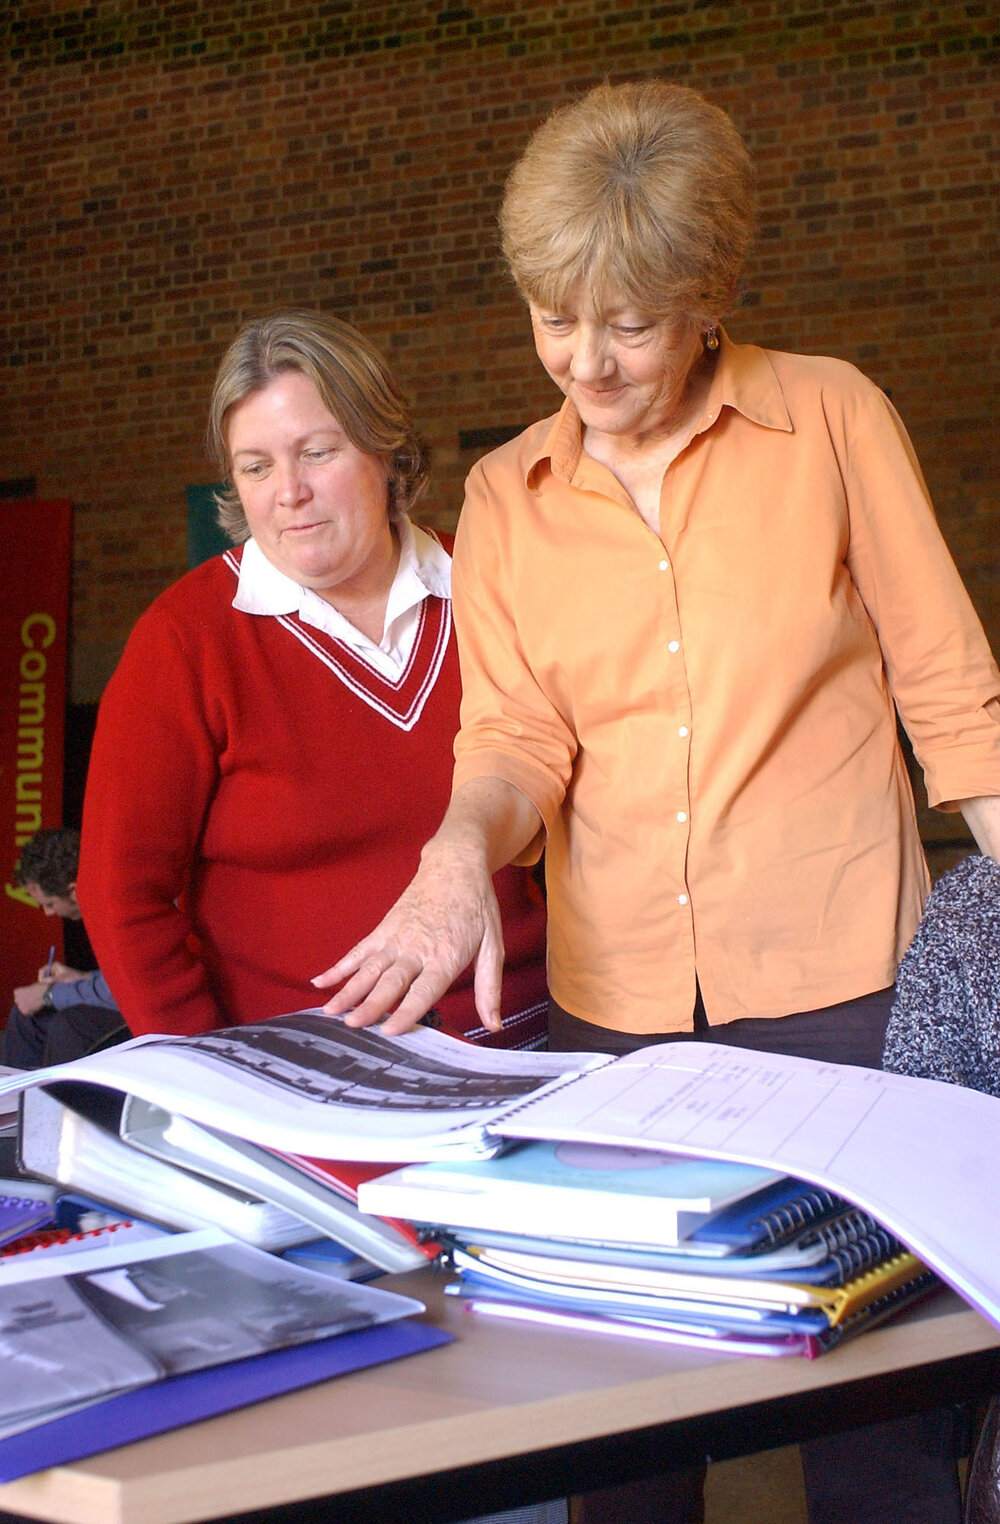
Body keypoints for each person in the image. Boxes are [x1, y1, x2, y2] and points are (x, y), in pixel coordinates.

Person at [314, 82, 1000, 1522]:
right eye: (555, 319)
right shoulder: (508, 496)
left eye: (626, 321)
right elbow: (513, 744)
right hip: (616, 1009)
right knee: (621, 1420)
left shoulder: (829, 419)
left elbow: (954, 698)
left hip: (845, 997)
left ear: (710, 298)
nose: (587, 361)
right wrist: (455, 856)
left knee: (878, 1413)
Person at [77, 310, 547, 1047]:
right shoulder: (185, 640)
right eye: (256, 466)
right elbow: (118, 895)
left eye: (317, 452)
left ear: (388, 452)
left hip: (530, 1041)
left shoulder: (495, 587)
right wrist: (212, 1073)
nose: (288, 491)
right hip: (301, 1074)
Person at [3, 826, 126, 1068]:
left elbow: (135, 988)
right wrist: (82, 978)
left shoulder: (118, 907)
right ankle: (12, 1102)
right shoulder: (98, 906)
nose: (48, 913)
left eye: (49, 904)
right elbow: (123, 978)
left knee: (70, 1025)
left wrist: (49, 994)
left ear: (73, 890)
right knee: (26, 1017)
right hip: (128, 999)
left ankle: (55, 1106)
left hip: (157, 1019)